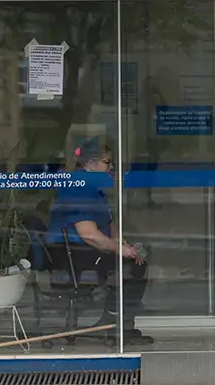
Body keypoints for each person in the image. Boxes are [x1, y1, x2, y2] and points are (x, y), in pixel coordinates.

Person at [46, 141, 153, 345]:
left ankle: (121, 322)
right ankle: (113, 321)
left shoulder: (93, 187)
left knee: (139, 256)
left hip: (86, 250)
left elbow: (109, 224)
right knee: (128, 265)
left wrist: (123, 244)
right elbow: (89, 235)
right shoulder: (79, 186)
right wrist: (120, 250)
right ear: (90, 164)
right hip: (73, 254)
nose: (111, 167)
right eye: (107, 162)